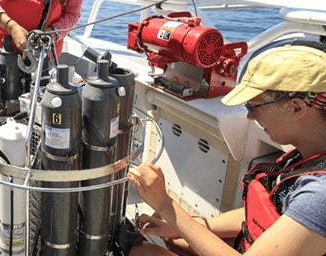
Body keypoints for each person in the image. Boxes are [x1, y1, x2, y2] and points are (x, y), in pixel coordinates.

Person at [126, 41, 326, 256]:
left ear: (296, 107)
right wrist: (185, 226)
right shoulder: (305, 154)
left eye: (253, 106)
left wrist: (165, 205)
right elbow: (267, 213)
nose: (250, 116)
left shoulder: (319, 194)